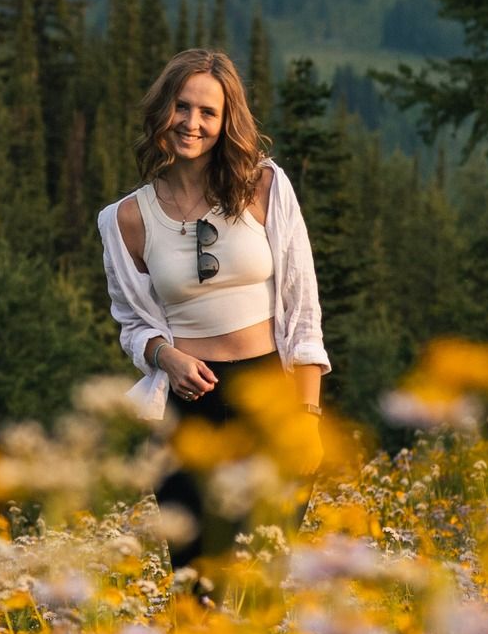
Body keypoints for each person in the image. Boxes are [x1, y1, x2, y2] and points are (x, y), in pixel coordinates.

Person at [97, 47, 327, 559]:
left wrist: (309, 416)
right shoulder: (126, 219)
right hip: (188, 408)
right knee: (195, 583)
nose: (192, 123)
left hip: (269, 397)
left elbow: (303, 308)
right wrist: (166, 356)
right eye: (182, 107)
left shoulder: (265, 186)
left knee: (260, 575)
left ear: (227, 122)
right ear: (163, 111)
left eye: (208, 112)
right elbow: (133, 325)